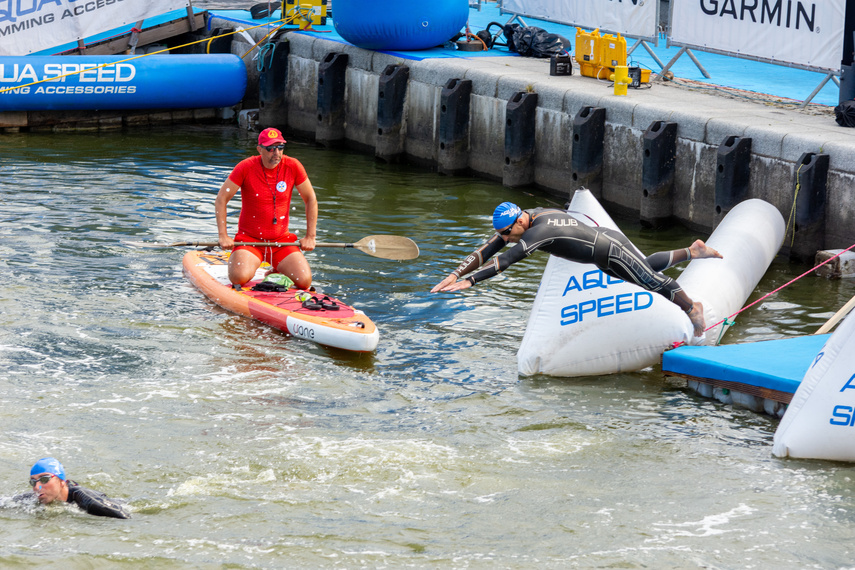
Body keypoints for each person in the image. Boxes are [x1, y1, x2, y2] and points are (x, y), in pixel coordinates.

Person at [431, 202, 723, 336]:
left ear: (518, 223)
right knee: (643, 268)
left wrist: (471, 283)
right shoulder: (530, 215)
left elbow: (505, 260)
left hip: (608, 249)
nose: (505, 239)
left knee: (649, 280)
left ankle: (691, 307)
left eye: (507, 233)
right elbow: (490, 248)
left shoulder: (538, 233)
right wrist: (457, 274)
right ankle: (693, 251)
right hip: (605, 247)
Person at [215, 127, 318, 289]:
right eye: (270, 148)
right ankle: (239, 258)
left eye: (280, 147)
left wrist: (310, 236)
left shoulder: (293, 166)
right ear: (260, 149)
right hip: (250, 240)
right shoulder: (245, 167)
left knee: (304, 282)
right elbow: (221, 199)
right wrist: (223, 236)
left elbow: (310, 198)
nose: (276, 152)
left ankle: (276, 269)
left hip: (281, 242)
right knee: (238, 278)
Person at [24, 457, 130, 519]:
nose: (37, 487)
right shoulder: (33, 498)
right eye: (33, 482)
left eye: (44, 479)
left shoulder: (86, 499)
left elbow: (124, 516)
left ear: (62, 482)